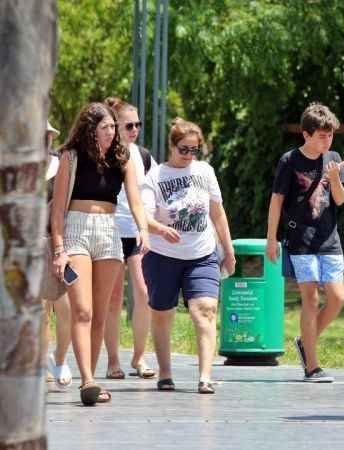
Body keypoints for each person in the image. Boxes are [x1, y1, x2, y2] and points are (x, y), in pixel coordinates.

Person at [50, 103, 151, 406]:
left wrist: (143, 229)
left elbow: (134, 200)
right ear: (90, 131)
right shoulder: (70, 157)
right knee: (82, 310)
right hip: (77, 230)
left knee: (100, 313)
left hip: (109, 231)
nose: (112, 132)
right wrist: (58, 250)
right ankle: (88, 380)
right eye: (106, 127)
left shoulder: (123, 158)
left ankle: (90, 379)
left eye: (113, 127)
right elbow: (56, 213)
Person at [141, 117, 235, 394]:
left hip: (201, 254)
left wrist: (228, 250)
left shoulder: (205, 171)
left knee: (205, 310)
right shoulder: (155, 177)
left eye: (195, 150)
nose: (189, 155)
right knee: (162, 314)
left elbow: (217, 212)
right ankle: (166, 373)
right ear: (172, 146)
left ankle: (205, 376)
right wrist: (160, 229)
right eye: (184, 149)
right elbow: (143, 217)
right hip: (162, 256)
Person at [266, 103, 344, 383]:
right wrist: (271, 239)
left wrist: (335, 178)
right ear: (306, 135)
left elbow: (340, 200)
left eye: (331, 135)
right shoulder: (290, 161)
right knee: (310, 299)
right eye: (322, 136)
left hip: (329, 240)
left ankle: (306, 341)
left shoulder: (334, 158)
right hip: (300, 240)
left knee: (338, 299)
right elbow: (276, 200)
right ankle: (312, 366)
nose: (328, 140)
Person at [103, 97, 157, 380]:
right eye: (128, 125)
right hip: (110, 232)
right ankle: (113, 361)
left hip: (136, 232)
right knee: (113, 300)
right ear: (114, 126)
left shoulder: (143, 155)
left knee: (144, 294)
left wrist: (152, 226)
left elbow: (154, 192)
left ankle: (139, 356)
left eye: (138, 124)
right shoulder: (103, 154)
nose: (134, 129)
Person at [41, 121, 72, 390]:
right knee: (40, 309)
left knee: (67, 307)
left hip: (58, 242)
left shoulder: (61, 165)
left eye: (46, 135)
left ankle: (59, 357)